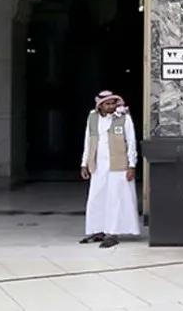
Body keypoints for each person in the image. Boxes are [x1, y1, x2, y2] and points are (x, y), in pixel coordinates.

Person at [79, 91, 140, 248]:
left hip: (119, 165)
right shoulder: (92, 117)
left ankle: (113, 233)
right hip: (98, 165)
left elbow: (131, 142)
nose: (111, 106)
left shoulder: (124, 118)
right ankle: (98, 230)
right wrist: (84, 163)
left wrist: (132, 165)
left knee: (116, 199)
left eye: (113, 103)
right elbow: (88, 140)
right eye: (107, 104)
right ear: (100, 106)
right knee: (96, 198)